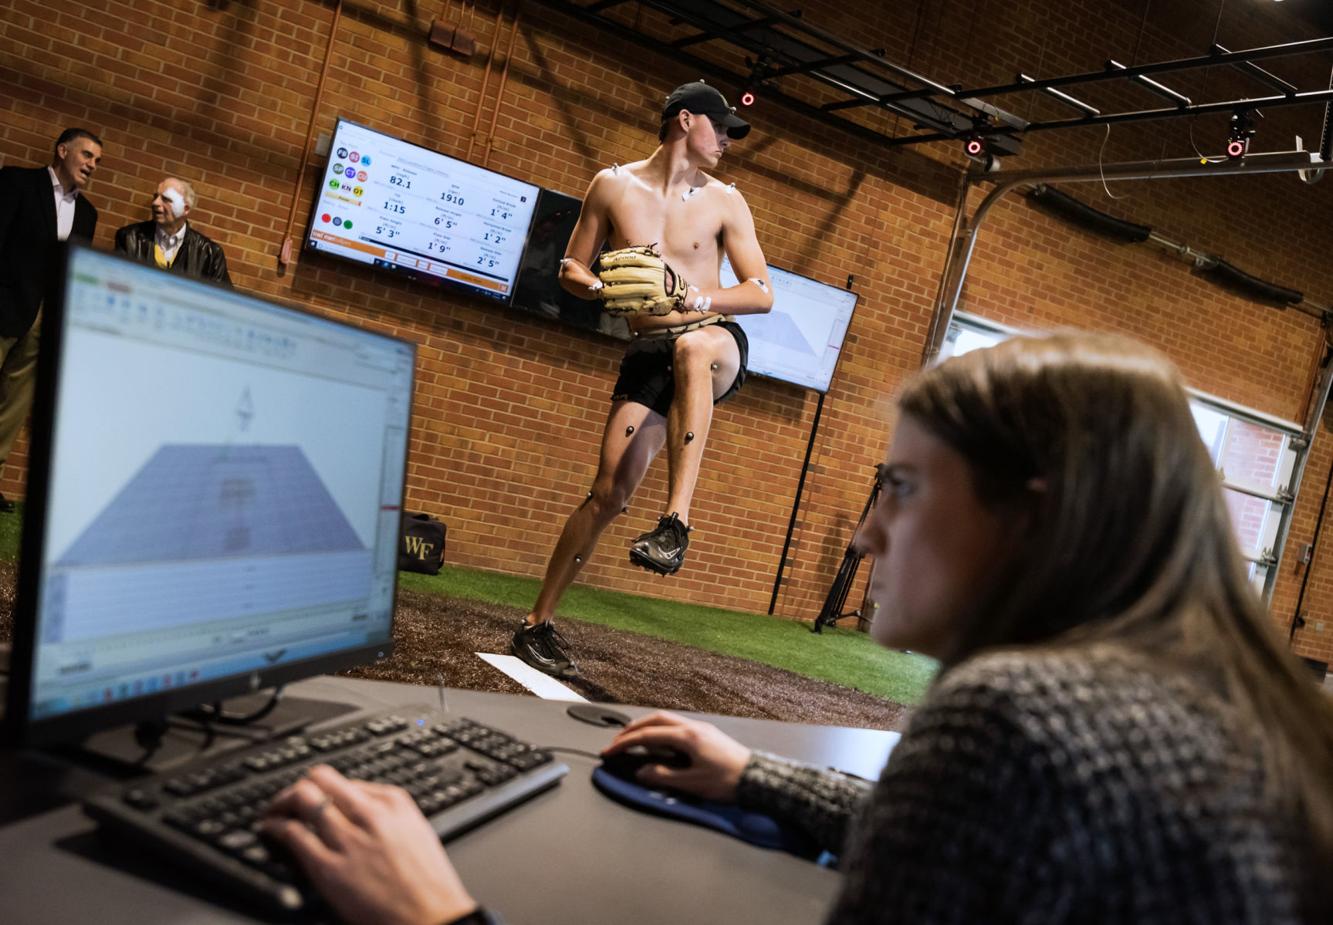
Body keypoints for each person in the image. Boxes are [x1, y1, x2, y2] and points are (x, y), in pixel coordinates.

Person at [264, 332, 1333, 924]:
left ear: (1031, 513)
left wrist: (431, 919)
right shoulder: (1231, 708)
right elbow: (992, 853)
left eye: (904, 488)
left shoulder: (1012, 718)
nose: (866, 534)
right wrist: (763, 778)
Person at [511, 80, 774, 678]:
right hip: (647, 350)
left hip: (713, 341)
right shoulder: (612, 185)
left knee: (693, 347)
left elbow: (761, 292)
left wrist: (694, 293)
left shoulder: (727, 201)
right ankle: (536, 625)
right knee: (607, 493)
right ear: (686, 120)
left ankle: (675, 523)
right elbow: (571, 266)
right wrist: (601, 287)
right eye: (722, 127)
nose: (729, 141)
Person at [0, 128, 103, 513]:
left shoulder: (88, 214)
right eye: (88, 155)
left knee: (15, 402)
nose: (92, 165)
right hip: (6, 305)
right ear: (63, 150)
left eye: (97, 161)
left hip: (44, 319)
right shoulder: (16, 182)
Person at [114, 177, 233, 285]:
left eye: (166, 199)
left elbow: (223, 301)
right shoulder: (129, 237)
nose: (155, 203)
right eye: (155, 197)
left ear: (185, 209)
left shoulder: (210, 253)